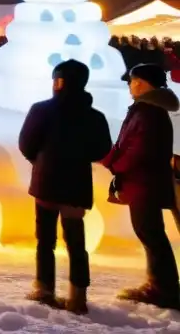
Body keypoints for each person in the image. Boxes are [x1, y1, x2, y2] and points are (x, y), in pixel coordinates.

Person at [17, 59, 112, 314]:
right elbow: (102, 149)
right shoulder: (94, 116)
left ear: (58, 82)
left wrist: (39, 159)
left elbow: (26, 143)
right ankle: (78, 296)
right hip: (77, 185)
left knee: (45, 239)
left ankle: (44, 288)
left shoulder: (41, 110)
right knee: (76, 242)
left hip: (46, 183)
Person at [103, 63, 180, 309]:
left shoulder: (148, 111)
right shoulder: (147, 108)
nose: (129, 85)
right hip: (144, 181)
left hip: (144, 182)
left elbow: (138, 150)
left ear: (142, 82)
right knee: (150, 232)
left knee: (150, 233)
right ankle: (161, 285)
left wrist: (113, 163)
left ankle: (163, 288)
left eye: (132, 80)